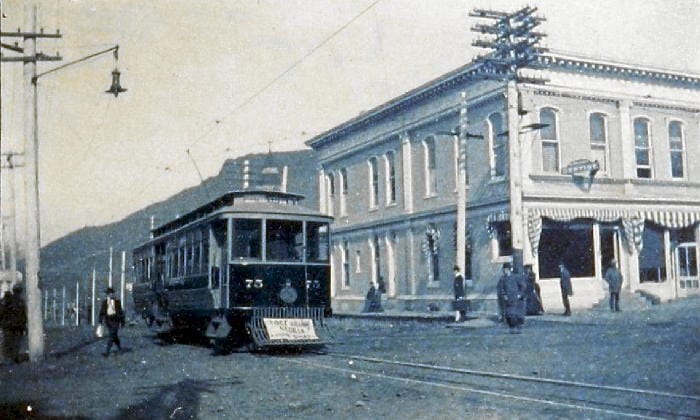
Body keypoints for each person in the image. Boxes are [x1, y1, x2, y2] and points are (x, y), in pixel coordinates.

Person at [1, 285, 27, 363]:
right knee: (16, 343)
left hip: (8, 326)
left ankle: (7, 357)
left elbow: (1, 313)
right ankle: (13, 357)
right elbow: (24, 316)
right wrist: (24, 326)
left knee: (7, 342)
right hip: (18, 326)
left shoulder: (6, 300)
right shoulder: (21, 302)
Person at [498, 266, 527, 333]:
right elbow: (501, 288)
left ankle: (519, 327)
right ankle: (512, 328)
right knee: (509, 314)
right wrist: (504, 296)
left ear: (509, 270)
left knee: (518, 314)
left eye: (506, 269)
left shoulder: (516, 277)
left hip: (516, 299)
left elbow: (523, 286)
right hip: (508, 299)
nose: (505, 271)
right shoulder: (503, 279)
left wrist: (519, 294)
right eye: (504, 270)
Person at [98, 287, 125, 357]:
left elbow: (121, 312)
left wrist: (122, 322)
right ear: (107, 295)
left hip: (116, 320)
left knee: (111, 335)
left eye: (112, 293)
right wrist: (100, 321)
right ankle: (119, 347)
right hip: (108, 321)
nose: (111, 295)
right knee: (114, 335)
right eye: (109, 293)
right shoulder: (104, 302)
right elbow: (102, 312)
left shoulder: (117, 302)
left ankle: (107, 351)